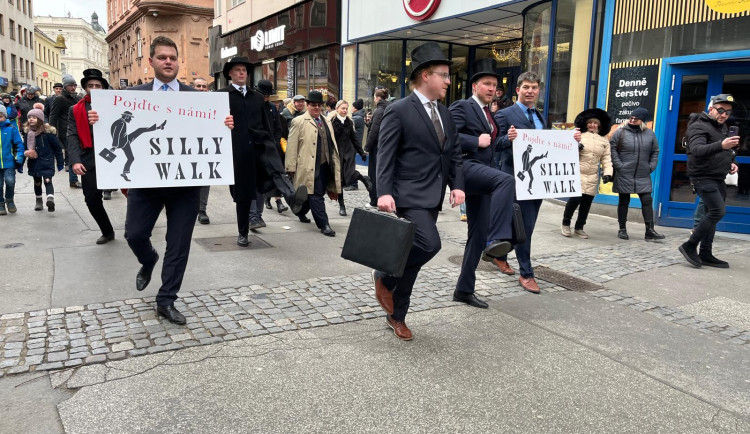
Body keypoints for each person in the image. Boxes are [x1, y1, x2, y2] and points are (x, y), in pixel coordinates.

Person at [88, 36, 235, 325]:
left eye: (172, 57)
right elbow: (112, 130)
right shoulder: (131, 97)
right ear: (151, 61)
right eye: (163, 57)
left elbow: (214, 134)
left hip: (185, 186)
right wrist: (99, 120)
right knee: (134, 235)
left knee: (179, 244)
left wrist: (225, 125)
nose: (168, 61)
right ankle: (148, 260)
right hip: (146, 184)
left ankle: (166, 300)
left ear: (178, 62)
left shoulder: (198, 98)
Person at [373, 42, 465, 340]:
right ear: (426, 75)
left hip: (432, 197)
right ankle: (385, 277)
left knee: (410, 262)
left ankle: (397, 316)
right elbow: (384, 155)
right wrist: (383, 191)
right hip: (406, 195)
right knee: (429, 245)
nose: (448, 81)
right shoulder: (398, 110)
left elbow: (453, 155)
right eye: (444, 75)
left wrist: (458, 185)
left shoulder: (445, 114)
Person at [494, 71, 582, 293]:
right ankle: (526, 273)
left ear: (538, 91)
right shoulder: (505, 114)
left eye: (534, 88)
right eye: (526, 87)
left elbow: (548, 145)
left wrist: (572, 141)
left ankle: (500, 254)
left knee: (520, 223)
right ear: (518, 90)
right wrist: (508, 139)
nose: (530, 91)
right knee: (525, 226)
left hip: (537, 181)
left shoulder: (540, 116)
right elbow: (493, 144)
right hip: (515, 179)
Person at [449, 58, 515, 308]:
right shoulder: (462, 106)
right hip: (467, 167)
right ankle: (496, 239)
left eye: (495, 85)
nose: (491, 88)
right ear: (474, 86)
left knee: (475, 235)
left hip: (484, 172)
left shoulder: (490, 114)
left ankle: (464, 290)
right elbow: (449, 136)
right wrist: (475, 141)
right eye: (486, 84)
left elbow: (493, 144)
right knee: (506, 182)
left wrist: (507, 139)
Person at [679, 94, 740, 268]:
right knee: (717, 211)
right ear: (711, 108)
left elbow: (721, 152)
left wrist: (731, 163)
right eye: (720, 110)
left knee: (711, 216)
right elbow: (697, 150)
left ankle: (705, 253)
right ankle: (690, 245)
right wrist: (722, 145)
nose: (724, 114)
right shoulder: (698, 126)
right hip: (703, 177)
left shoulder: (722, 127)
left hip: (718, 177)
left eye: (727, 112)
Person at [217, 56, 270, 245]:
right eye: (238, 70)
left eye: (244, 70)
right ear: (230, 74)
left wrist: (270, 148)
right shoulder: (222, 95)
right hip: (235, 153)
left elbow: (265, 124)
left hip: (257, 151)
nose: (241, 73)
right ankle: (243, 232)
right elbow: (212, 124)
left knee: (266, 186)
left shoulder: (257, 97)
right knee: (242, 195)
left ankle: (260, 215)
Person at [67, 69, 116, 244]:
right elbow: (71, 135)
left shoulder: (115, 105)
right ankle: (107, 231)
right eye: (90, 86)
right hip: (90, 159)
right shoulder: (76, 109)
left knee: (134, 195)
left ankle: (138, 230)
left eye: (98, 85)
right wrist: (75, 161)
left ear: (104, 87)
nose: (94, 88)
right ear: (85, 88)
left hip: (116, 156)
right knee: (92, 199)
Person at [285, 90, 342, 236]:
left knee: (314, 193)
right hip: (307, 165)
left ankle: (300, 210)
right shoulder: (298, 121)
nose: (316, 108)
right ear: (307, 105)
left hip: (325, 165)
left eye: (319, 105)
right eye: (313, 105)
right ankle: (324, 224)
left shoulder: (326, 121)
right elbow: (291, 146)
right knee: (316, 195)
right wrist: (290, 167)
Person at [610, 107, 664, 241]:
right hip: (624, 172)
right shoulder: (620, 132)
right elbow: (612, 149)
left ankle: (649, 231)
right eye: (631, 118)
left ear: (643, 121)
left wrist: (651, 166)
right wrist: (619, 166)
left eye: (636, 119)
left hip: (642, 173)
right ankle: (622, 229)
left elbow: (655, 151)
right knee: (624, 201)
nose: (632, 120)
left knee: (647, 200)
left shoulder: (650, 134)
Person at [561, 108, 613, 239]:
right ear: (585, 123)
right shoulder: (578, 135)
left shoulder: (604, 140)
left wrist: (608, 173)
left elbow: (606, 159)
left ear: (599, 125)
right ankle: (566, 223)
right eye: (590, 122)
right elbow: (565, 151)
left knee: (586, 203)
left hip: (592, 176)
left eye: (595, 123)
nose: (592, 125)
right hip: (577, 173)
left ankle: (579, 227)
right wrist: (575, 147)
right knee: (574, 200)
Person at [329, 99, 371, 216]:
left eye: (346, 108)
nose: (345, 110)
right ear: (337, 108)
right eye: (343, 108)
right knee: (340, 181)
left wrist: (361, 153)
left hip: (348, 153)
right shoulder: (331, 122)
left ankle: (363, 179)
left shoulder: (349, 122)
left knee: (350, 174)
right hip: (336, 155)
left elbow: (354, 139)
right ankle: (342, 206)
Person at [255, 79, 287, 218]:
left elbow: (278, 127)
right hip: (256, 149)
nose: (266, 98)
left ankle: (276, 201)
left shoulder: (273, 107)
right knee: (258, 182)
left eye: (268, 96)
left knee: (274, 176)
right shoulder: (252, 105)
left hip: (271, 149)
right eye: (264, 95)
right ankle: (257, 213)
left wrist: (274, 142)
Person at [24, 108, 64, 212]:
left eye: (34, 117)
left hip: (47, 162)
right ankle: (39, 201)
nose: (31, 119)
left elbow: (57, 149)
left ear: (40, 119)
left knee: (47, 181)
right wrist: (21, 162)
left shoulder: (48, 134)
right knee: (37, 182)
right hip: (34, 163)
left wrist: (60, 163)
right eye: (29, 117)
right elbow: (24, 149)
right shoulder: (28, 134)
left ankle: (50, 199)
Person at [50, 74, 82, 188]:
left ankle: (77, 178)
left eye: (74, 85)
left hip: (79, 129)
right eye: (70, 85)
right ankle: (73, 180)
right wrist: (51, 131)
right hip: (66, 131)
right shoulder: (60, 98)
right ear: (65, 87)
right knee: (72, 154)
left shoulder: (77, 98)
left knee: (77, 154)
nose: (73, 87)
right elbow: (53, 116)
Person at [364, 88, 390, 207]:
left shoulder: (379, 111)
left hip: (377, 148)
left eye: (374, 98)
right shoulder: (389, 108)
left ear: (378, 98)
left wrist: (367, 148)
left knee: (374, 174)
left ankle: (374, 200)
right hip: (385, 146)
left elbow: (374, 132)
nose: (374, 100)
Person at [192, 77, 211, 224]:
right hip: (186, 148)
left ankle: (202, 209)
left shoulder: (214, 105)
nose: (201, 89)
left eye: (204, 86)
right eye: (198, 86)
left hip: (206, 148)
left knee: (205, 179)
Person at [0, 110, 24, 215]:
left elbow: (19, 144)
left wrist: (19, 156)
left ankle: (9, 199)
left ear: (5, 117)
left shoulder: (11, 129)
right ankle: (1, 203)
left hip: (9, 162)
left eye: (0, 116)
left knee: (10, 182)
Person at [345, 98, 367, 191]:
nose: (351, 109)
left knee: (351, 165)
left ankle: (354, 183)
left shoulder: (357, 118)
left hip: (353, 144)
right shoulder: (358, 117)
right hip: (353, 144)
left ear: (356, 108)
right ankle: (350, 182)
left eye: (353, 107)